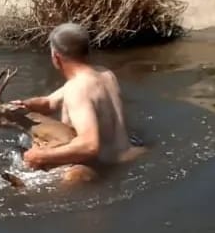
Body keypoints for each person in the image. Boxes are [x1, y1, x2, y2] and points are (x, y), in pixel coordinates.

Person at [10, 22, 141, 174]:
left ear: (55, 57)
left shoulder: (77, 89)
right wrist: (25, 105)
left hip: (100, 169)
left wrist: (40, 156)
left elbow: (90, 146)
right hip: (130, 156)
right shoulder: (105, 74)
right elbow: (49, 103)